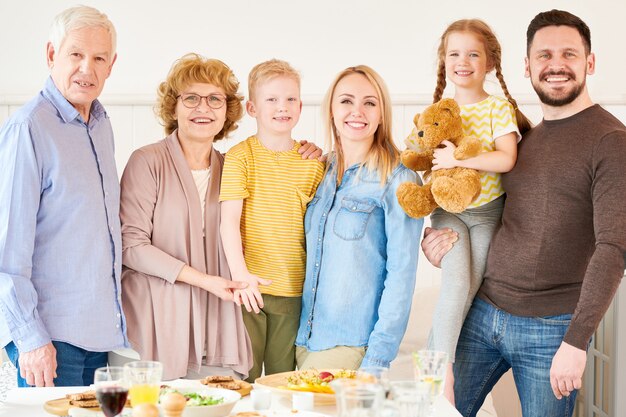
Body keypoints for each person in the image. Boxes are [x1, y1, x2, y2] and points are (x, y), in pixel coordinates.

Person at [421, 10, 626, 417]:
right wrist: (435, 239)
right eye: (544, 55)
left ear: (590, 63)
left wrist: (575, 341)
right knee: (425, 405)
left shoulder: (611, 140)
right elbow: (482, 207)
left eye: (569, 54)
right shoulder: (522, 136)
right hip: (482, 309)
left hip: (551, 330)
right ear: (527, 66)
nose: (555, 65)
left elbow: (614, 247)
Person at [119, 54, 321, 380]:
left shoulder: (233, 165)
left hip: (220, 320)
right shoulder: (147, 161)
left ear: (228, 110)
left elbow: (277, 197)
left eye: (215, 99)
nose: (204, 108)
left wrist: (311, 153)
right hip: (159, 314)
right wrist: (206, 281)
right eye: (192, 98)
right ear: (173, 107)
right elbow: (131, 246)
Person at [0, 6, 127, 387]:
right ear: (52, 54)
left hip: (99, 336)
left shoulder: (101, 125)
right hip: (50, 342)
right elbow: (6, 253)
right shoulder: (28, 127)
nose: (87, 68)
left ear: (111, 65)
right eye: (76, 54)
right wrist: (32, 339)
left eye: (99, 58)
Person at [416, 19, 532, 404]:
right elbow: (418, 155)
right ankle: (438, 378)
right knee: (454, 285)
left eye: (472, 54)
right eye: (454, 54)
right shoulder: (436, 111)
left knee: (467, 288)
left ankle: (428, 371)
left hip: (486, 214)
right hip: (449, 212)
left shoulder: (497, 108)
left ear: (490, 63)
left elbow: (508, 158)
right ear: (443, 61)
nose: (462, 61)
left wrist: (457, 157)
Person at [295, 66, 423, 370]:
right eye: (346, 101)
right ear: (330, 110)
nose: (357, 111)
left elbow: (401, 276)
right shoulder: (318, 170)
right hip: (299, 341)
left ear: (382, 114)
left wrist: (376, 361)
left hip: (350, 346)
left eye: (369, 102)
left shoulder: (398, 179)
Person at [220, 59, 325, 381]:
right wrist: (241, 276)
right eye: (272, 99)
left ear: (301, 105)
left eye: (291, 99)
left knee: (282, 378)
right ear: (252, 107)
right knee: (245, 377)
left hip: (293, 290)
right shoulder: (240, 157)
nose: (283, 107)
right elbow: (228, 223)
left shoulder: (313, 164)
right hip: (248, 288)